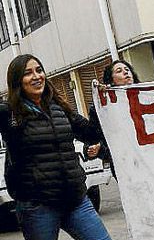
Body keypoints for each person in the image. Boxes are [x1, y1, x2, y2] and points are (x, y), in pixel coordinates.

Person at [0, 54, 112, 240]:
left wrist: (100, 103)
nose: (36, 76)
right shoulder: (8, 113)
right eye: (28, 73)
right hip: (37, 206)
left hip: (75, 200)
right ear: (17, 80)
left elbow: (92, 133)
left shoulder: (60, 107)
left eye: (39, 70)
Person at [86, 60, 141, 181]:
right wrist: (100, 149)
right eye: (119, 71)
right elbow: (97, 136)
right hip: (124, 163)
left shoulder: (145, 95)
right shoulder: (102, 107)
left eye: (127, 69)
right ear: (111, 80)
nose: (125, 72)